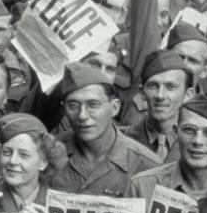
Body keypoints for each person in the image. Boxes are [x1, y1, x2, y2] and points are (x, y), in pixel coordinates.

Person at [51, 63, 161, 197]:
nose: (82, 115)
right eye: (73, 106)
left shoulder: (147, 166)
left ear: (114, 108)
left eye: (93, 105)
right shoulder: (48, 153)